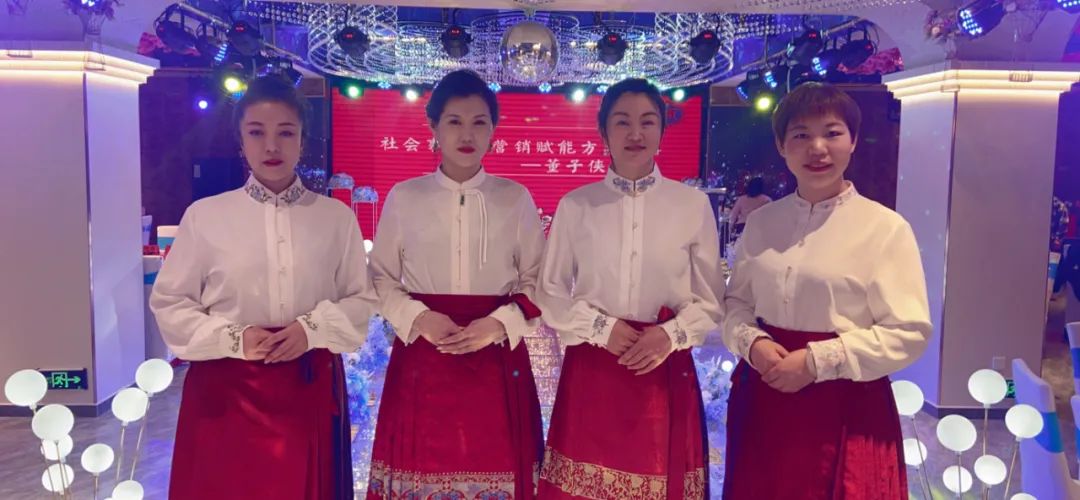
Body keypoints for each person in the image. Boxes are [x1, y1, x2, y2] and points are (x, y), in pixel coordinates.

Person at [151, 75, 377, 500]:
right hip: (224, 389)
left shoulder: (335, 218)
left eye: (285, 133)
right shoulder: (205, 216)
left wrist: (310, 330)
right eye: (257, 132)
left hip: (308, 383)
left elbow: (361, 300)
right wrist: (234, 338)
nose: (272, 146)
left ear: (302, 141)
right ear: (241, 140)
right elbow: (170, 303)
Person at [722, 82, 932, 499]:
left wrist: (818, 361)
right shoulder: (763, 223)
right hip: (765, 391)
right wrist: (752, 343)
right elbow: (736, 303)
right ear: (782, 146)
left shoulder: (885, 228)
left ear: (852, 140)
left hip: (845, 402)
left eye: (832, 133)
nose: (817, 148)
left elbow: (909, 332)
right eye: (801, 135)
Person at [536, 78, 723, 500]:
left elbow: (712, 302)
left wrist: (670, 335)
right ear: (603, 132)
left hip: (664, 368)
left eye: (647, 121)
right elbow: (549, 293)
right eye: (622, 122)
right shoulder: (576, 205)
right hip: (593, 369)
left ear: (662, 130)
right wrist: (601, 328)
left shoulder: (691, 206)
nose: (635, 133)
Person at [366, 69, 546, 499]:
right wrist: (419, 318)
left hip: (497, 357)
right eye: (454, 121)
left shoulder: (515, 198)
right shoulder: (405, 197)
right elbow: (379, 278)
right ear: (433, 127)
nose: (467, 134)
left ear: (493, 130)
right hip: (424, 354)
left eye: (479, 122)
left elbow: (540, 280)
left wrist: (500, 324)